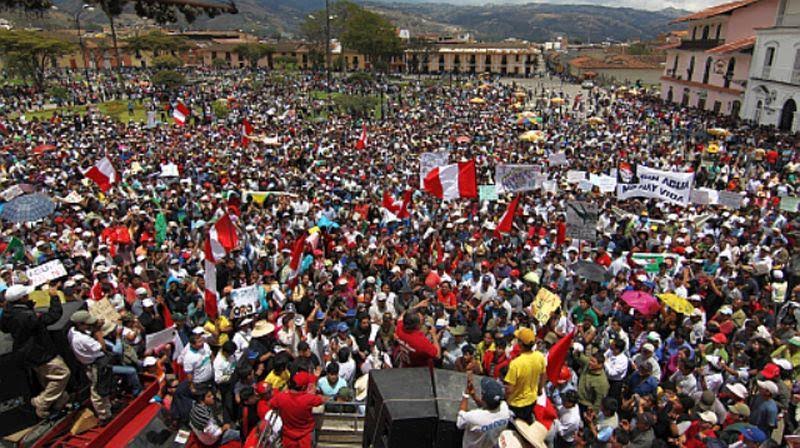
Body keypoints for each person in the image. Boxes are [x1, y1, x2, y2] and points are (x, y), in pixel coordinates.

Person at [1, 284, 70, 419]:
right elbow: (52, 317)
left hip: (25, 353)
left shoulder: (7, 313)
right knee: (62, 373)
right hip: (40, 352)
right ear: (21, 298)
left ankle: (58, 403)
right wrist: (54, 297)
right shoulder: (27, 316)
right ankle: (41, 402)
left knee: (48, 379)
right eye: (26, 296)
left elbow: (5, 329)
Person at [67, 310, 112, 424]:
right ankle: (104, 416)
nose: (90, 325)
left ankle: (108, 410)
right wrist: (98, 331)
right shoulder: (82, 339)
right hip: (95, 365)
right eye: (87, 324)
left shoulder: (72, 332)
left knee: (103, 388)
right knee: (97, 391)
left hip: (92, 363)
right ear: (80, 324)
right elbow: (102, 347)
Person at [269, 371, 327, 448]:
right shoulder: (309, 399)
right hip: (306, 435)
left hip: (288, 435)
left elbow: (271, 403)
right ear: (303, 387)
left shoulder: (281, 397)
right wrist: (312, 393)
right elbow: (323, 399)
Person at [457, 374, 512, 448]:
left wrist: (466, 394)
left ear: (483, 396)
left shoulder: (474, 417)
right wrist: (474, 396)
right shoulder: (505, 409)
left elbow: (460, 422)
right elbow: (488, 406)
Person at [503, 327, 546, 423]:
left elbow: (509, 389)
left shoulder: (516, 364)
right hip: (532, 400)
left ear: (521, 344)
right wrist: (539, 389)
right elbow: (544, 375)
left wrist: (504, 400)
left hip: (516, 404)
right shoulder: (540, 356)